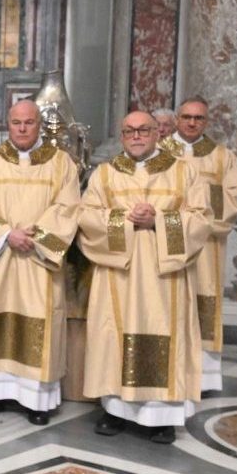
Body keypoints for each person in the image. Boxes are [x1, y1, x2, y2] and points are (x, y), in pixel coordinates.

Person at [79, 110, 209, 444]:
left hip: (166, 278)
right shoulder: (105, 175)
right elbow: (87, 217)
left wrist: (160, 221)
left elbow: (201, 220)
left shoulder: (184, 172)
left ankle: (162, 417)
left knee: (162, 334)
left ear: (157, 134)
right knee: (115, 337)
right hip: (118, 275)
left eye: (143, 130)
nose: (136, 136)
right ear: (122, 136)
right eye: (129, 131)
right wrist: (123, 219)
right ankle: (114, 410)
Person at [0, 101, 81, 425]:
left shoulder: (61, 164)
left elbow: (68, 208)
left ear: (39, 125)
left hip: (37, 263)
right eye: (17, 123)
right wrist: (4, 234)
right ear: (8, 124)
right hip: (0, 258)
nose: (23, 128)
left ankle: (36, 400)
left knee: (37, 322)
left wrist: (36, 237)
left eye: (29, 122)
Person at [161, 97, 237, 393]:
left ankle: (204, 377)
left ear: (207, 122)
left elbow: (236, 195)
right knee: (167, 300)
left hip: (207, 244)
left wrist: (199, 206)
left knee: (204, 296)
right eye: (186, 117)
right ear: (176, 119)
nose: (192, 123)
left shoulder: (222, 157)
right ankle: (169, 367)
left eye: (199, 118)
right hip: (170, 237)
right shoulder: (159, 152)